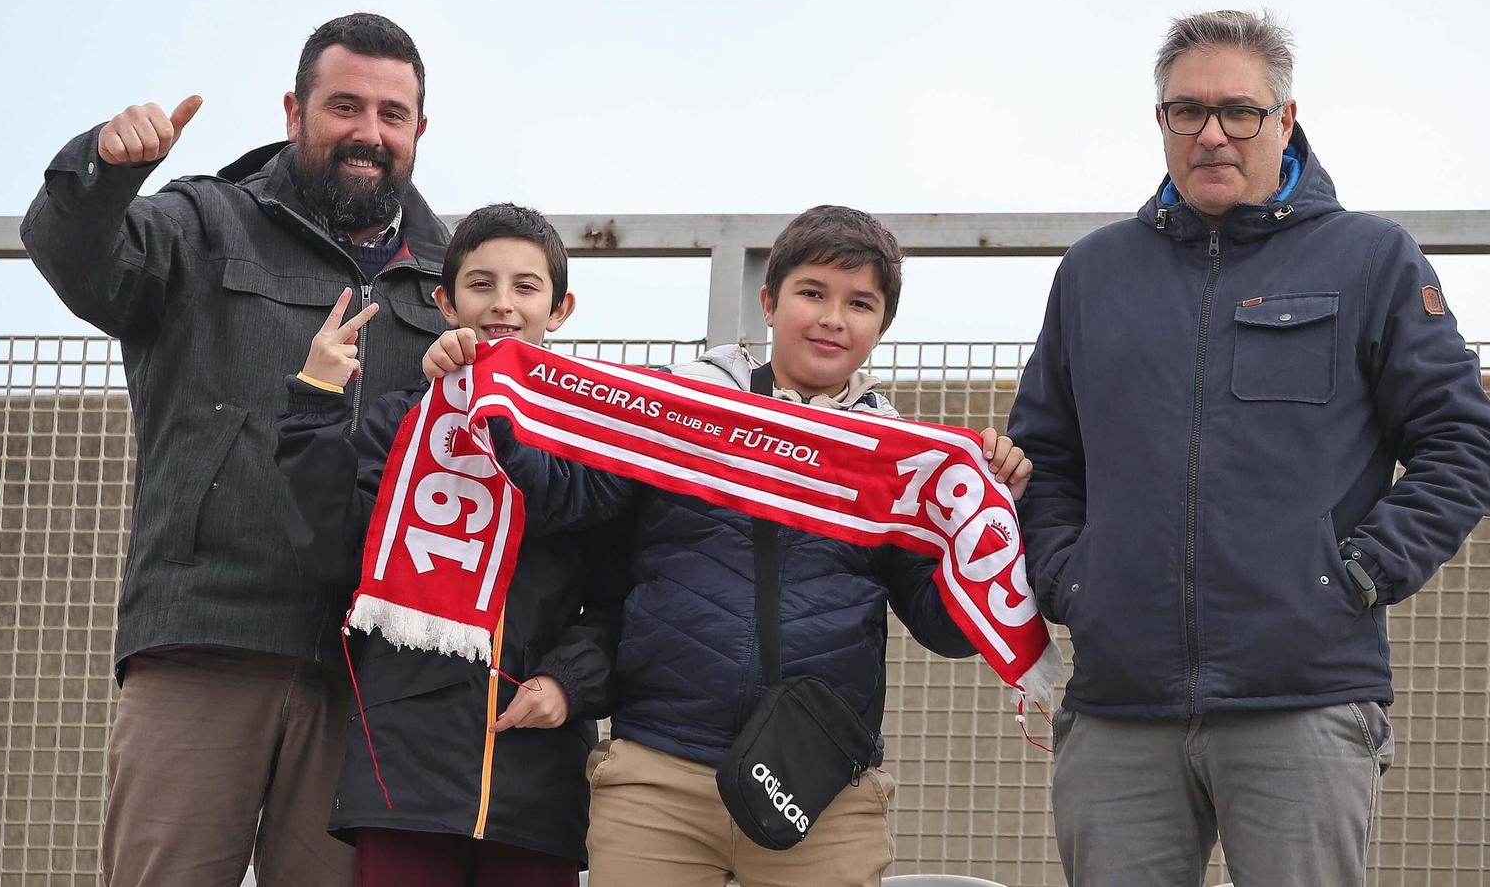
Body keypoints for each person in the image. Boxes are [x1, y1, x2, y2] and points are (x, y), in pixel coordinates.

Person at [1006, 9, 1490, 887]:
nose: (1212, 134)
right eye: (1185, 112)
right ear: (1159, 123)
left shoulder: (1372, 258)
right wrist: (1069, 578)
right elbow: (1043, 456)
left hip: (1303, 701)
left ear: (1285, 118)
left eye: (1239, 110)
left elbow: (1464, 445)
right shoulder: (1093, 272)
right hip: (1120, 706)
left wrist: (1355, 573)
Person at [420, 204, 1033, 887]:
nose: (833, 317)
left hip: (820, 789)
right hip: (658, 773)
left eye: (860, 302)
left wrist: (997, 516)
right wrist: (493, 390)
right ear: (768, 303)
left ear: (882, 328)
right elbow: (567, 500)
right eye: (812, 293)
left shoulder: (896, 466)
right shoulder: (680, 410)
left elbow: (947, 628)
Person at [19, 13, 451, 887]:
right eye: (344, 106)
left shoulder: (450, 280)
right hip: (204, 640)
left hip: (361, 670)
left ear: (418, 131)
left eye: (391, 114)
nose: (369, 132)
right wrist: (105, 169)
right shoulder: (203, 221)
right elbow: (72, 256)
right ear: (294, 110)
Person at [274, 204, 624, 887]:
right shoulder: (401, 418)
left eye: (526, 287)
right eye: (480, 284)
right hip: (402, 775)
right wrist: (316, 404)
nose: (502, 304)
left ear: (561, 309)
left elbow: (621, 600)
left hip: (540, 779)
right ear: (443, 300)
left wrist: (572, 683)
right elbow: (336, 558)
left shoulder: (591, 439)